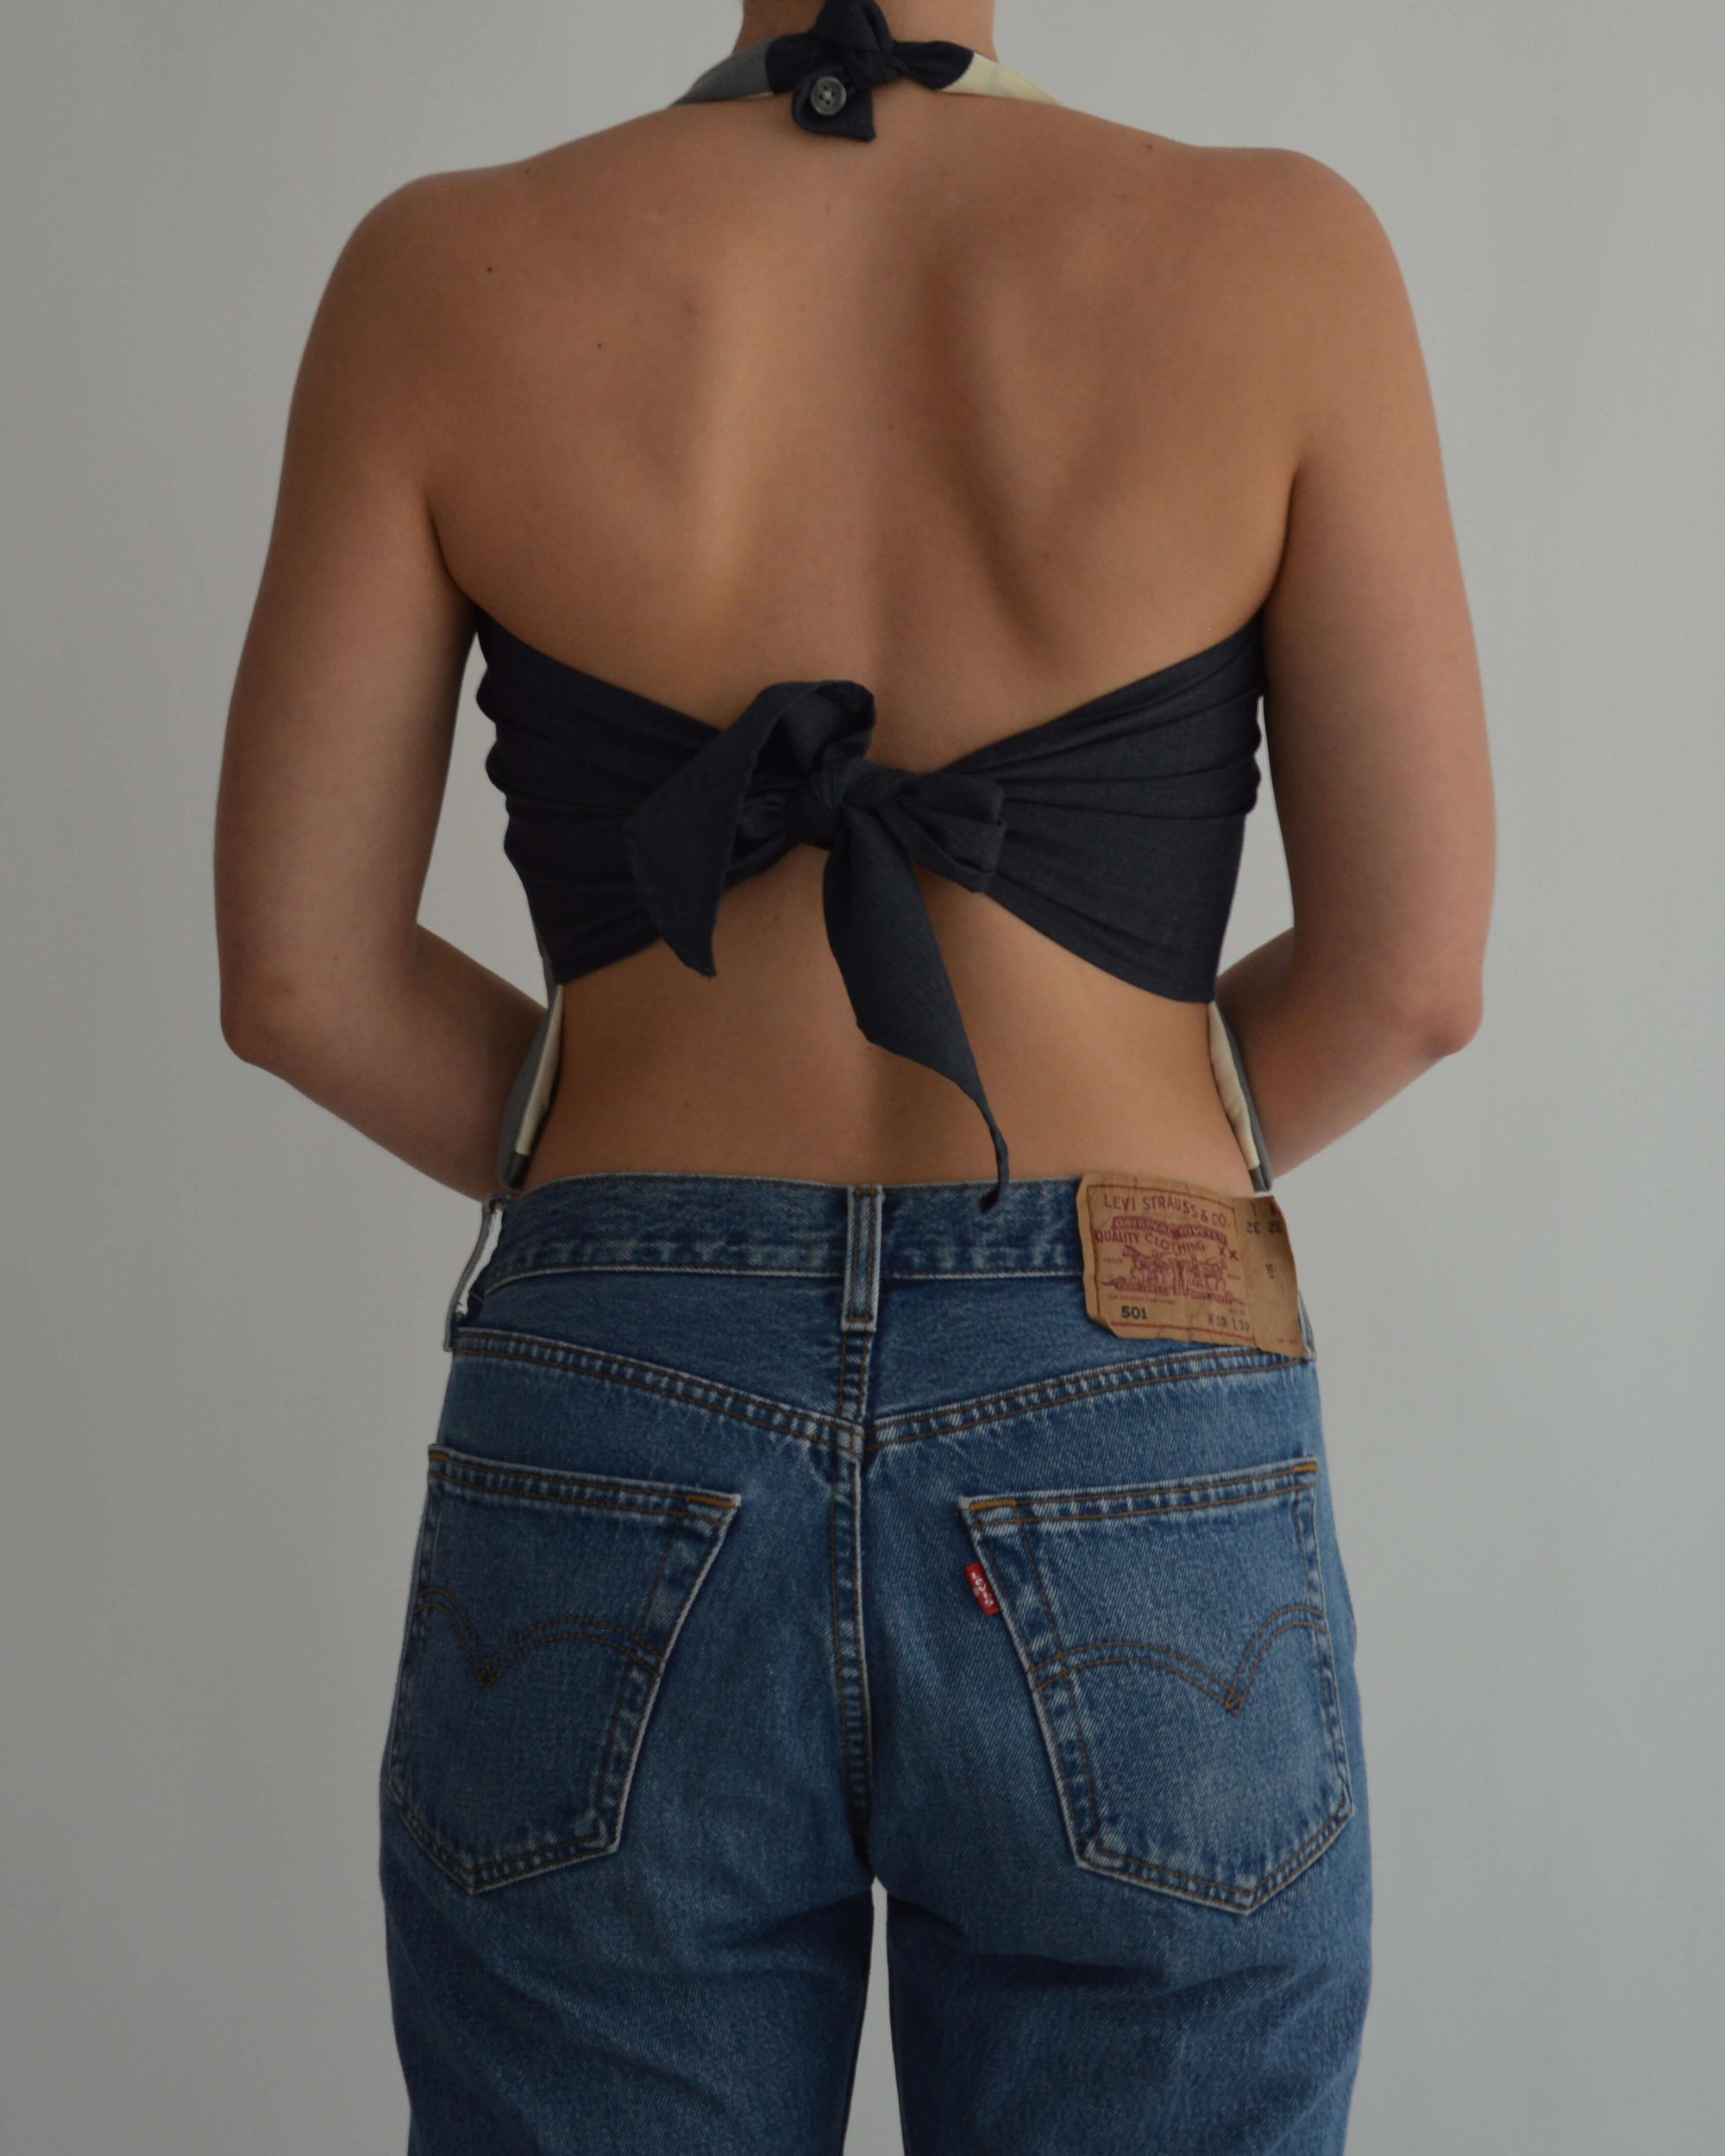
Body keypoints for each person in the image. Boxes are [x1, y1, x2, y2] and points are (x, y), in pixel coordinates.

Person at [215, 2, 1494, 2148]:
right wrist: (1140, 1192)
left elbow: (296, 976)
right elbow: (1412, 976)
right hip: (1131, 1391)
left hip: (617, 1393)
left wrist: (614, 1185)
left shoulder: (441, 273)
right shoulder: (1282, 256)